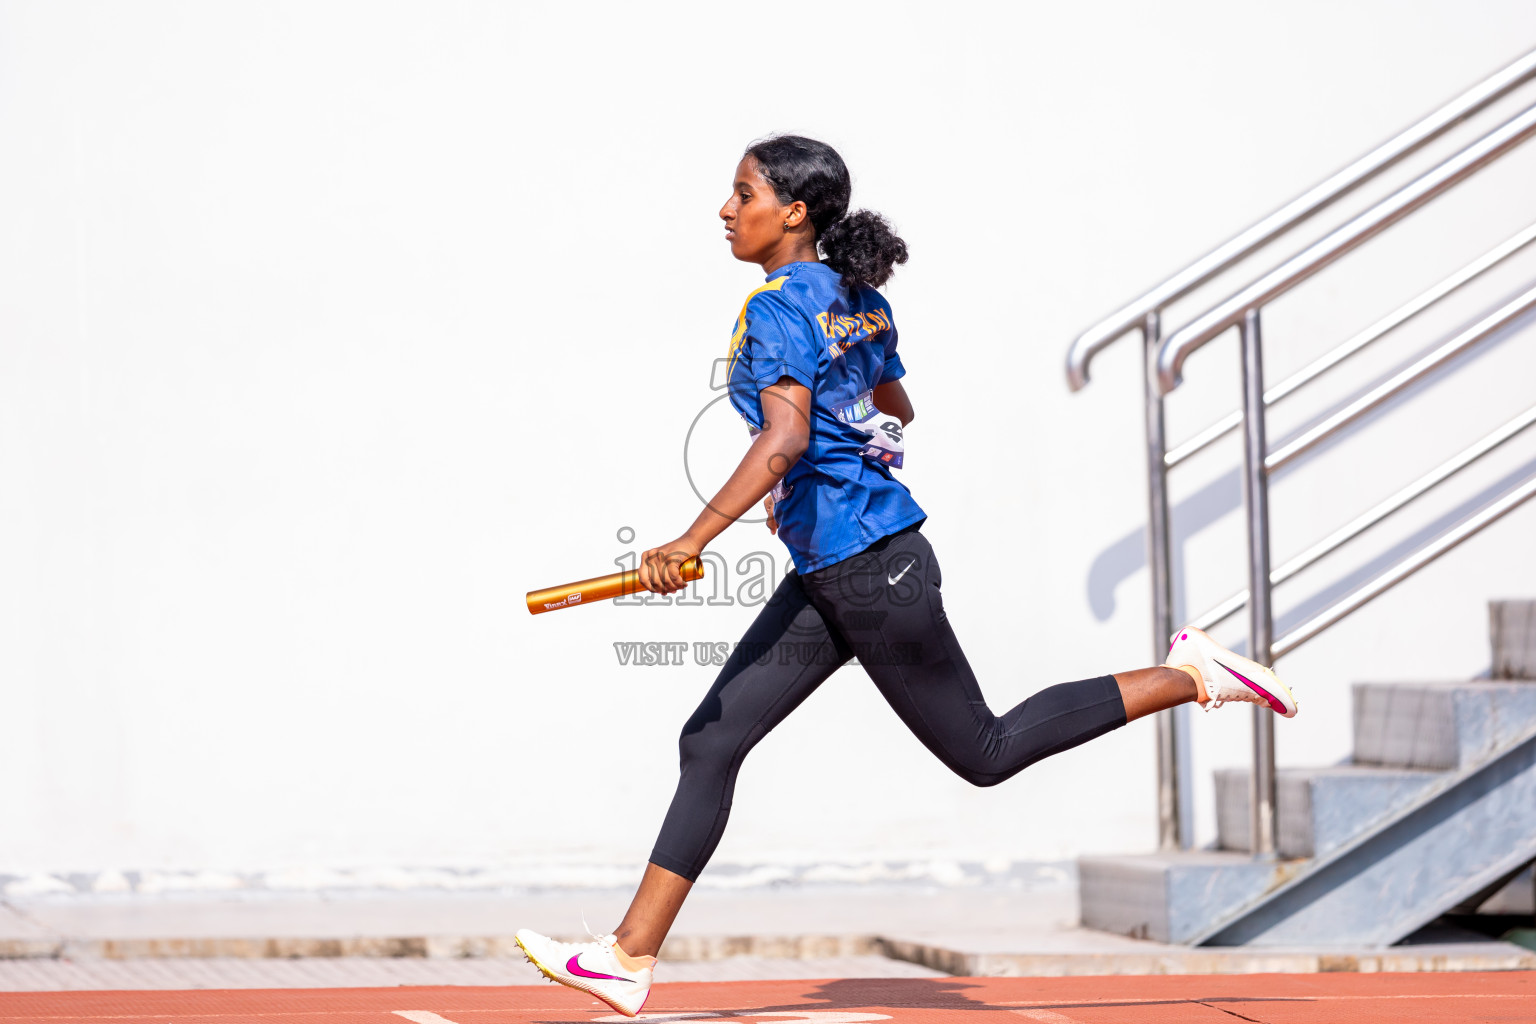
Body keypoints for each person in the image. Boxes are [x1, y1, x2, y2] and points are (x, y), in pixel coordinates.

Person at [514, 135, 1298, 1016]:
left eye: (742, 195)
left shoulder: (772, 312)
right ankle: (629, 956)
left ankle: (1191, 674)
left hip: (868, 572)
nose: (727, 211)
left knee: (985, 751)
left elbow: (784, 441)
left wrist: (688, 539)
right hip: (843, 564)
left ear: (794, 212)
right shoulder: (859, 297)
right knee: (712, 741)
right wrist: (834, 462)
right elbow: (894, 408)